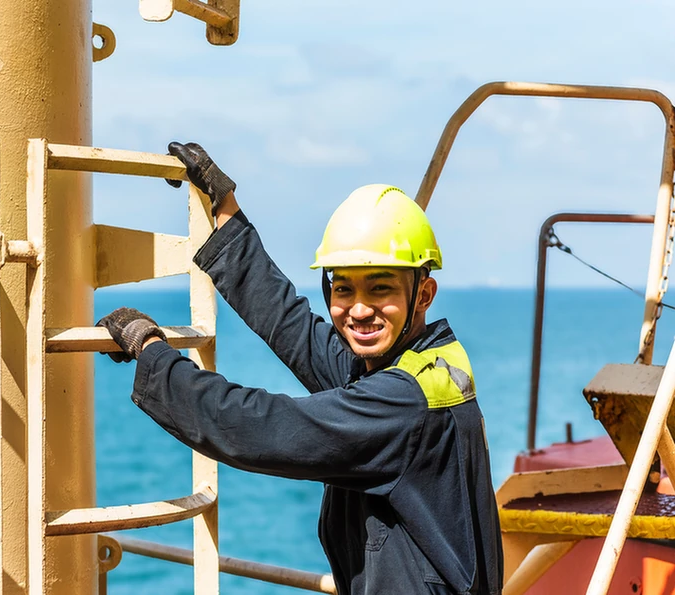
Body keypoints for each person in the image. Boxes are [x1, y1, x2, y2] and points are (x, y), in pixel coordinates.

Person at [96, 142, 503, 595]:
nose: (359, 310)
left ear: (423, 295)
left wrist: (151, 351)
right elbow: (297, 331)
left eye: (380, 288)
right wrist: (226, 211)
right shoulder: (416, 363)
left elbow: (260, 428)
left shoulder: (404, 402)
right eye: (344, 290)